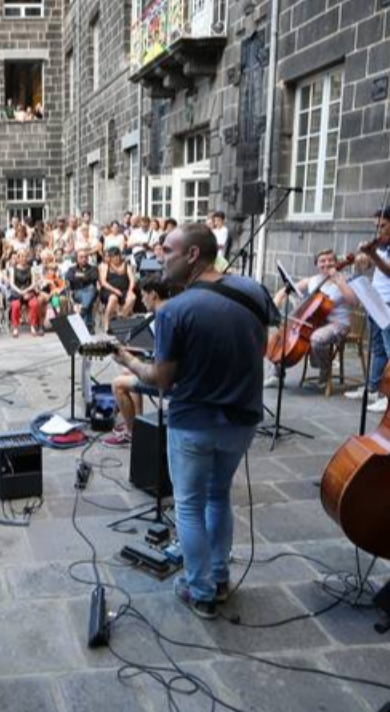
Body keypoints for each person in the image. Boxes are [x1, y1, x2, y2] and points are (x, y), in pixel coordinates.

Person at [112, 223, 272, 619]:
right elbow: (262, 343)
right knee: (219, 496)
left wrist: (126, 359)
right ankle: (219, 579)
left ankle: (200, 592)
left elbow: (161, 380)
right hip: (242, 419)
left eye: (167, 250)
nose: (160, 257)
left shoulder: (174, 310)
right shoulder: (253, 290)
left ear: (193, 255)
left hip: (193, 423)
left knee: (189, 506)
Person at [346, 205, 390, 412]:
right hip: (375, 298)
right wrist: (362, 260)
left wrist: (372, 254)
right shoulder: (385, 242)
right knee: (376, 348)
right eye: (376, 226)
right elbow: (369, 266)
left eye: (383, 226)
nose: (379, 231)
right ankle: (373, 388)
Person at [104, 275, 180, 448]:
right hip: (181, 374)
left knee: (117, 384)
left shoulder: (162, 317)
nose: (142, 300)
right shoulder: (174, 309)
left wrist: (127, 359)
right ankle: (139, 424)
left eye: (144, 295)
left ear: (153, 294)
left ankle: (131, 434)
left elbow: (159, 368)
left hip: (174, 382)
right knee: (128, 372)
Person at [265, 249, 357, 387]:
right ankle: (276, 374)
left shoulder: (344, 279)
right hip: (316, 322)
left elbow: (354, 302)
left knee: (316, 338)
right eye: (322, 261)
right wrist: (276, 303)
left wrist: (339, 282)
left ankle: (325, 369)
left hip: (338, 323)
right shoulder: (313, 280)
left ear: (336, 262)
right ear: (317, 264)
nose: (326, 263)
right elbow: (286, 290)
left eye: (330, 260)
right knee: (286, 335)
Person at [98, 247, 137, 332]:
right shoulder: (105, 266)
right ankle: (106, 323)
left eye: (117, 255)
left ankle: (121, 317)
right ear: (110, 257)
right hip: (109, 290)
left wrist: (130, 290)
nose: (116, 258)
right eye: (113, 256)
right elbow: (103, 282)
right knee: (113, 298)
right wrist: (114, 290)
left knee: (132, 297)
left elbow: (132, 279)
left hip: (124, 290)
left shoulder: (126, 265)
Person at [8, 250, 44, 337]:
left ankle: (33, 326)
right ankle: (15, 327)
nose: (23, 258)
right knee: (15, 305)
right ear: (17, 258)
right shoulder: (13, 269)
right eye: (20, 256)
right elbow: (12, 284)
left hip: (29, 292)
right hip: (17, 293)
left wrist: (26, 290)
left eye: (24, 256)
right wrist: (20, 292)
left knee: (34, 304)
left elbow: (33, 283)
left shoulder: (31, 269)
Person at [66, 249, 99, 330]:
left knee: (91, 289)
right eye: (81, 257)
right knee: (88, 299)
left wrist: (78, 276)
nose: (84, 259)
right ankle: (88, 323)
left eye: (85, 257)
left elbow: (94, 277)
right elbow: (69, 277)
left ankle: (83, 312)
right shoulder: (72, 269)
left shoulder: (93, 268)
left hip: (91, 292)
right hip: (77, 293)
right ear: (77, 259)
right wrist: (85, 276)